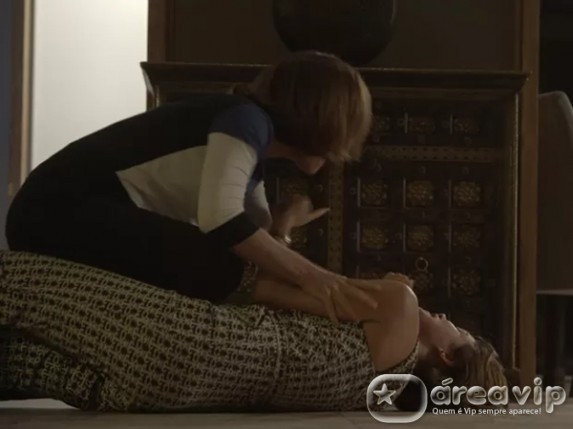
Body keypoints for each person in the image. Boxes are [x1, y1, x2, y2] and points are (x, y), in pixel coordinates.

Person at [5, 51, 376, 322]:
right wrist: (318, 278)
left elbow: (255, 239)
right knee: (210, 256)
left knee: (223, 257)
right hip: (52, 210)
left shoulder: (253, 150)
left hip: (80, 210)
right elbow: (222, 220)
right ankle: (345, 311)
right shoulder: (246, 121)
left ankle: (341, 309)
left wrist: (284, 226)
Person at [0, 249, 506, 412]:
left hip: (188, 336)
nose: (446, 319)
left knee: (18, 283)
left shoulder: (401, 308)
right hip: (171, 393)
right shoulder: (372, 397)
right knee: (12, 361)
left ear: (445, 357)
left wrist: (393, 287)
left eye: (456, 330)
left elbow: (267, 289)